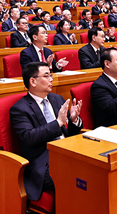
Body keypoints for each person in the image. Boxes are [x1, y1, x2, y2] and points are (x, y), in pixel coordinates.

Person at [9, 62, 82, 202]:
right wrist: (58, 123)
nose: (51, 79)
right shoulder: (19, 109)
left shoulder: (56, 99)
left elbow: (69, 134)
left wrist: (73, 120)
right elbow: (29, 137)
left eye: (51, 75)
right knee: (77, 179)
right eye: (46, 75)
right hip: (44, 162)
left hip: (68, 151)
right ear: (32, 81)